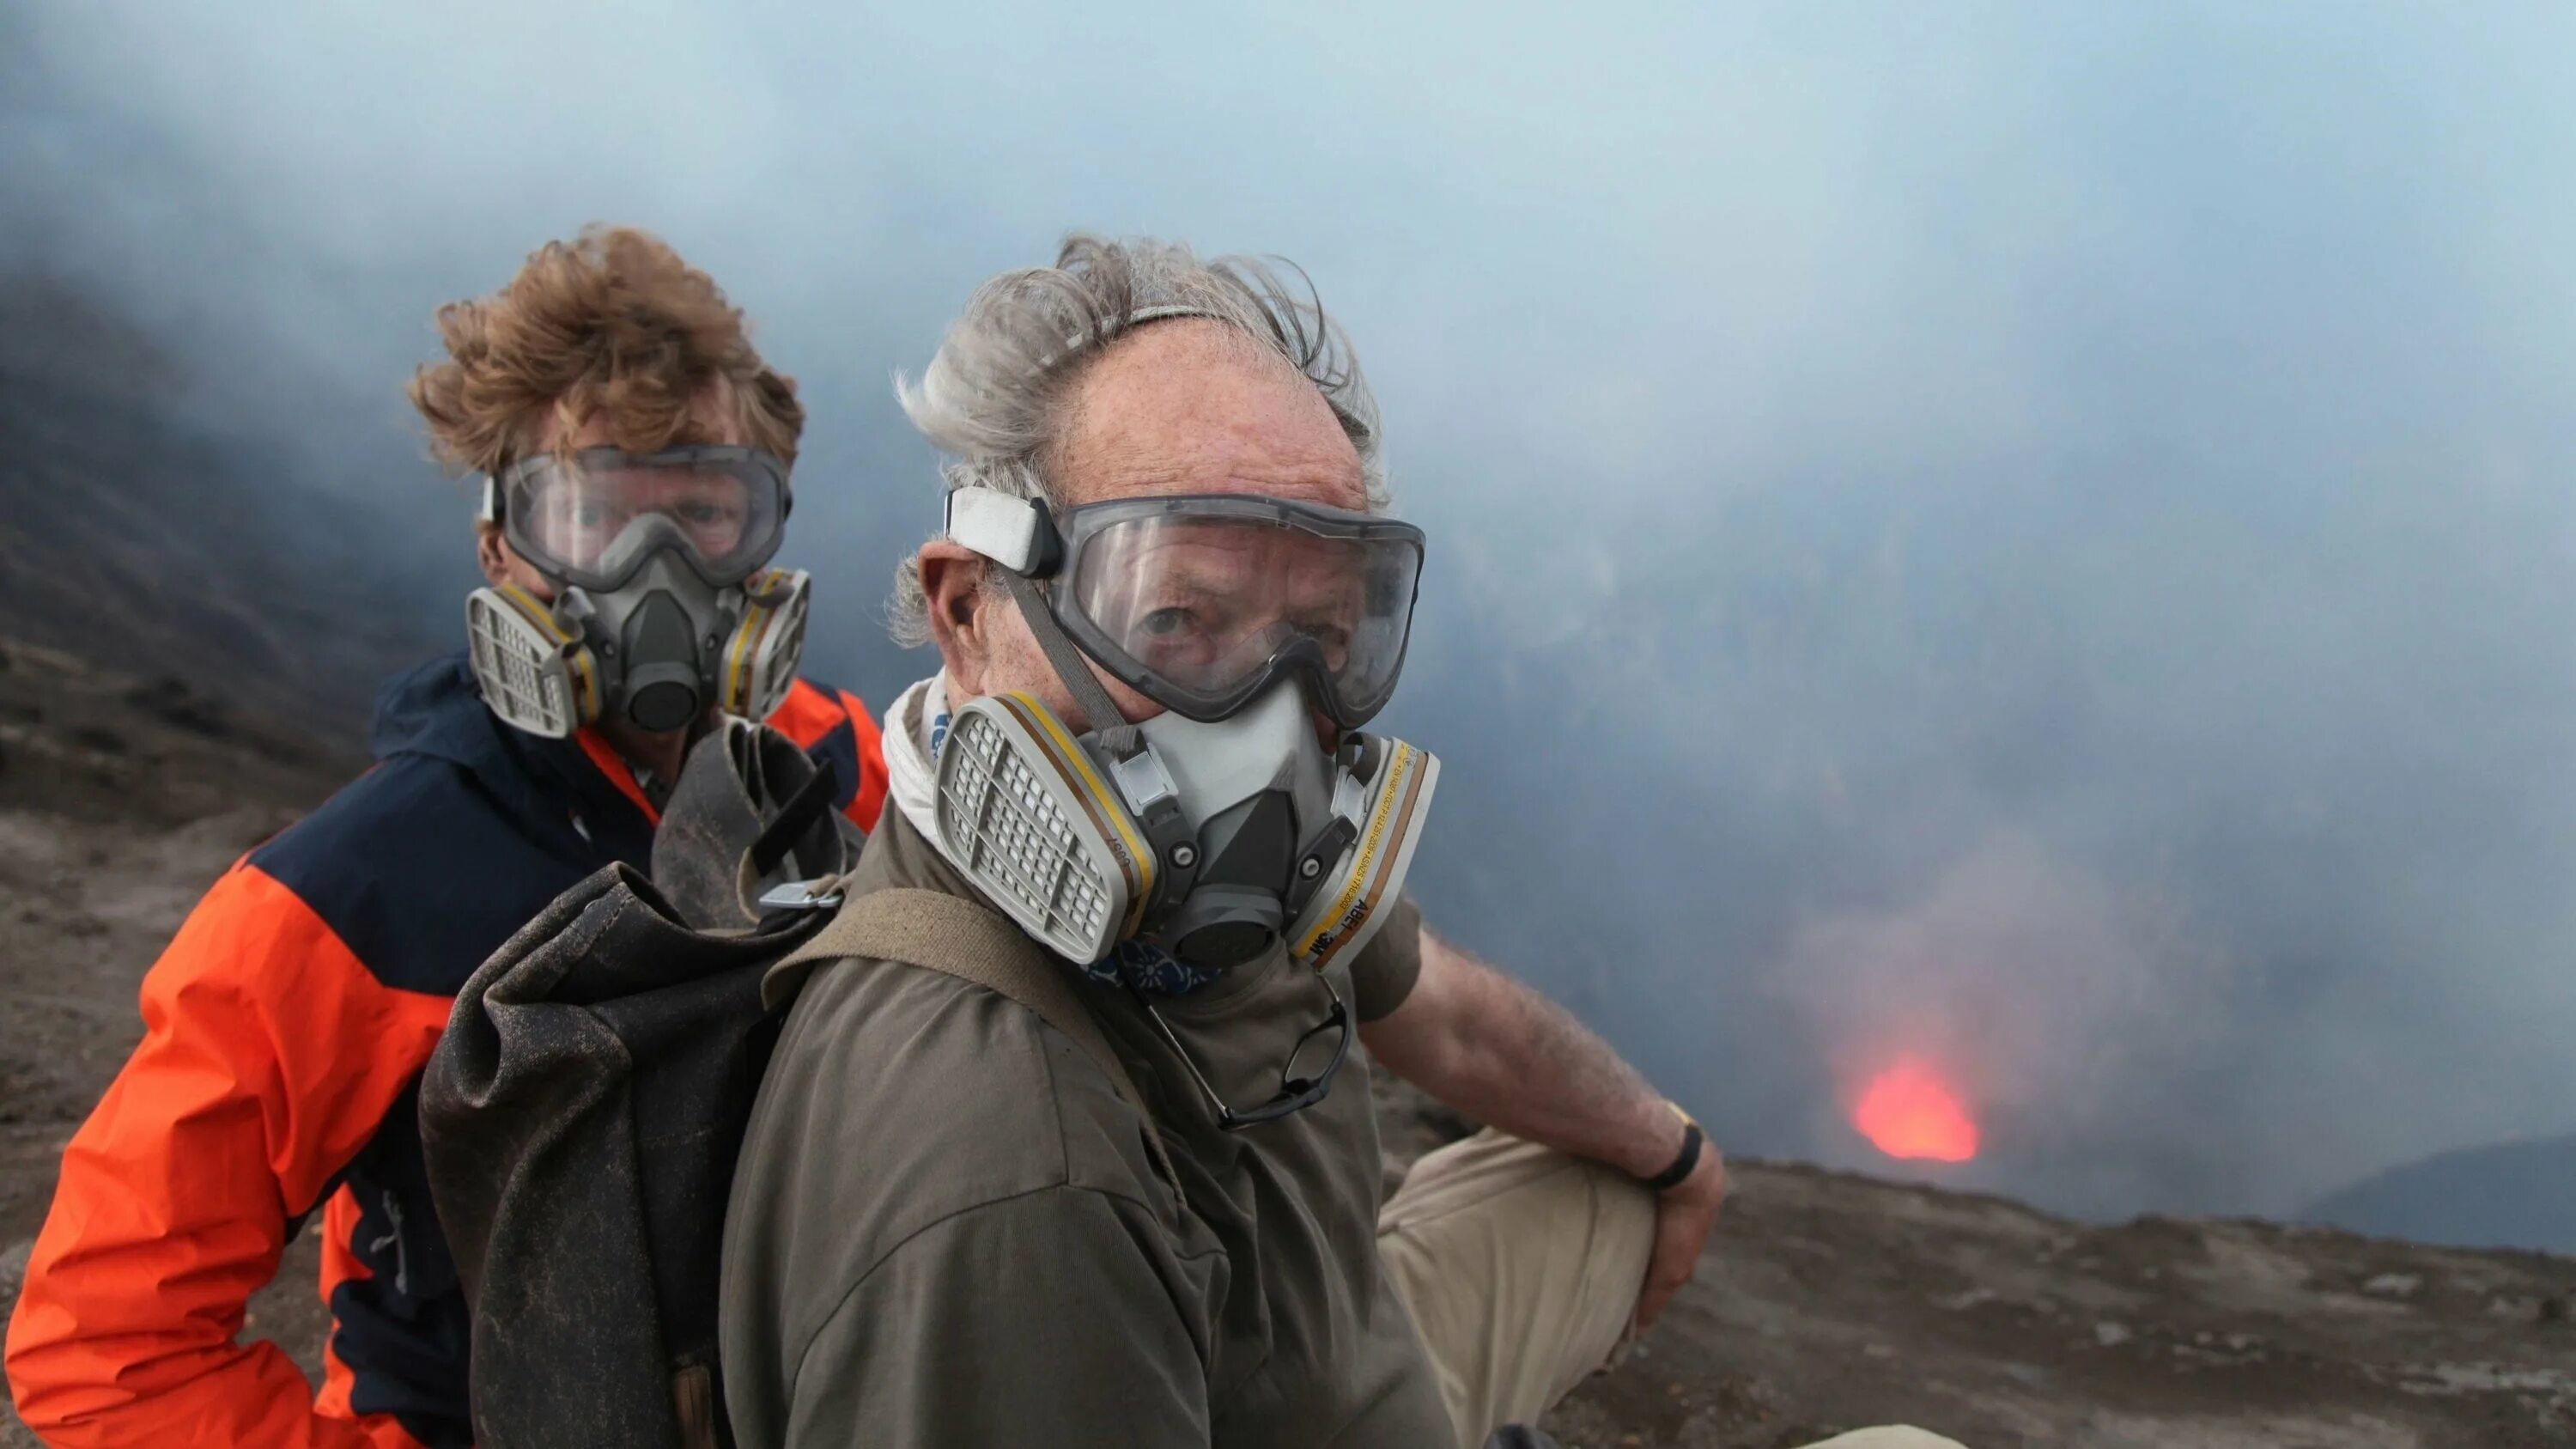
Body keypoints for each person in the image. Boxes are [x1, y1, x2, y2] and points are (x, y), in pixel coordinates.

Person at [717, 236, 1735, 1449]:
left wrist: (1673, 1157)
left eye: (1321, 632)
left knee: (1606, 1174)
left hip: (1340, 1357)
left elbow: (1446, 1015)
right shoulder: (1013, 1184)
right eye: (1180, 620)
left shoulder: (1226, 885)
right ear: (969, 613)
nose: (1270, 725)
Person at [3, 227, 888, 1449]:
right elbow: (104, 1345)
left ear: (767, 536)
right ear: (499, 549)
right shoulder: (353, 897)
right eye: (596, 518)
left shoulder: (832, 772)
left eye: (703, 513)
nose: (661, 575)